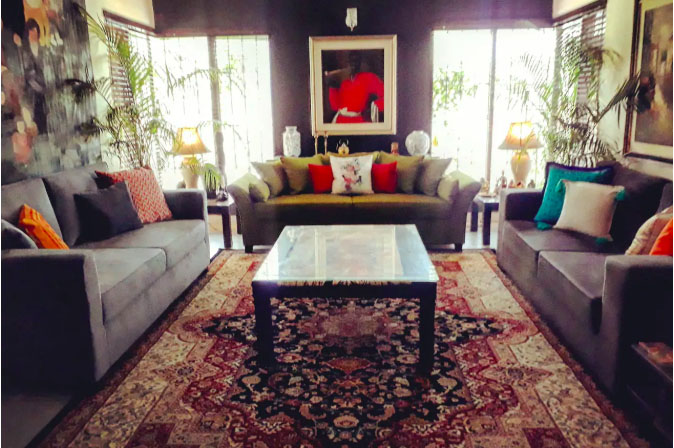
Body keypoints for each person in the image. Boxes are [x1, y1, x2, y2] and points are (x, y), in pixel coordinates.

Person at [325, 52, 384, 124]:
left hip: (358, 121)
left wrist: (376, 105)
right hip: (340, 121)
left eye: (356, 61)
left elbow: (386, 94)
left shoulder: (368, 78)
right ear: (348, 63)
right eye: (351, 61)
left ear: (360, 63)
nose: (353, 64)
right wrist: (333, 89)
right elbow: (335, 106)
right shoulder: (344, 82)